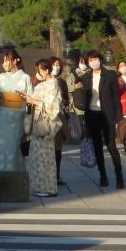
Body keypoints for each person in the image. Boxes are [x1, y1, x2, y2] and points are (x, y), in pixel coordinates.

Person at [81, 49, 125, 189]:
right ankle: (103, 176)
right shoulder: (86, 77)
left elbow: (116, 97)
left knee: (111, 146)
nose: (94, 62)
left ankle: (119, 177)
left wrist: (118, 116)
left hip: (107, 114)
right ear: (88, 63)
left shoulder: (110, 75)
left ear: (100, 59)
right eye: (90, 60)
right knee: (97, 147)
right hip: (92, 114)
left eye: (95, 59)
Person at [0, 49, 32, 172]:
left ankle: (16, 173)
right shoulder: (1, 77)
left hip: (19, 116)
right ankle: (1, 172)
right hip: (3, 116)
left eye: (7, 60)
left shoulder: (25, 77)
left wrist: (29, 122)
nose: (4, 63)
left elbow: (30, 99)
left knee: (15, 146)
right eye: (3, 61)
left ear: (15, 61)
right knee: (2, 145)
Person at [26, 58, 64, 197]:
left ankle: (48, 188)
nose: (38, 72)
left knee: (45, 157)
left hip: (46, 122)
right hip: (38, 121)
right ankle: (37, 186)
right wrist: (28, 99)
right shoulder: (42, 84)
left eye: (40, 70)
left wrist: (33, 101)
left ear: (46, 70)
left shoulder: (53, 84)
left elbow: (51, 105)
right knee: (36, 156)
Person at [50, 56, 71, 186]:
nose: (56, 67)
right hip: (46, 119)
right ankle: (48, 174)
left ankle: (57, 175)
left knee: (57, 148)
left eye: (58, 65)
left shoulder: (62, 82)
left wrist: (62, 101)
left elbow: (67, 99)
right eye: (54, 64)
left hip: (59, 117)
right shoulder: (43, 81)